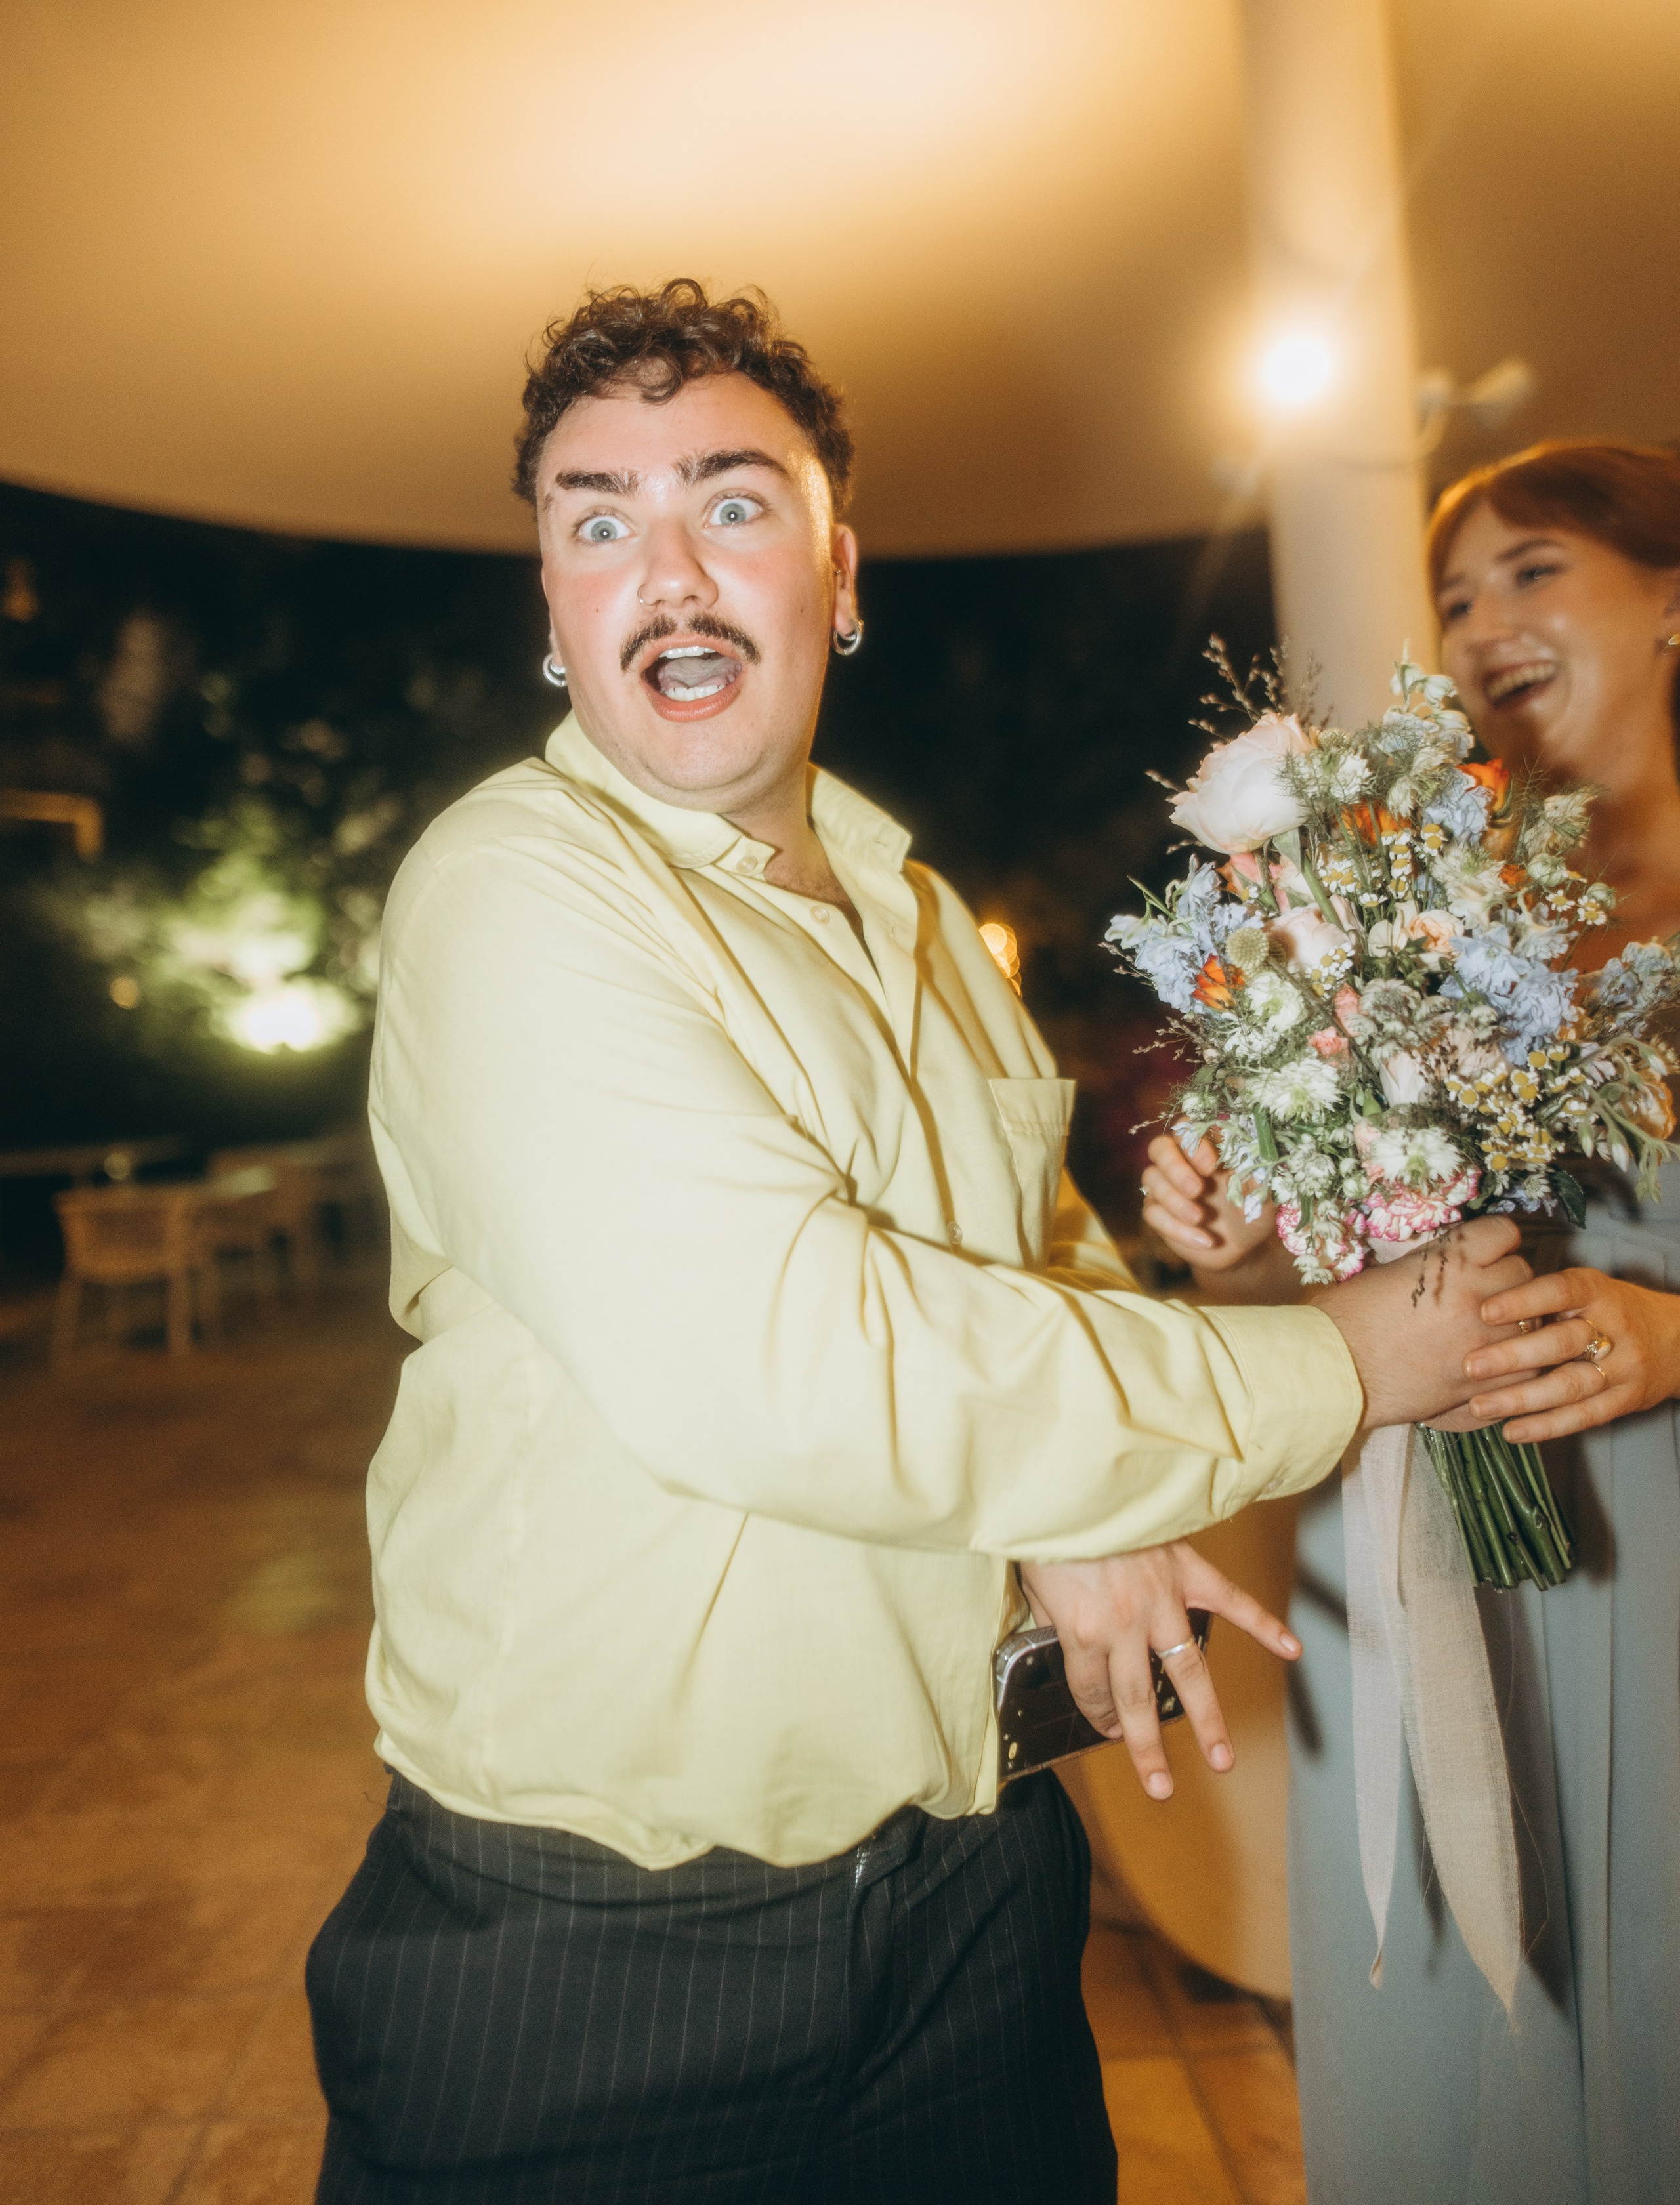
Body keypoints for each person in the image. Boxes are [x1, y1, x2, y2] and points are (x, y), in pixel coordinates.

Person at [305, 280, 1534, 2205]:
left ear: (840, 570)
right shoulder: (515, 888)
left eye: (732, 503)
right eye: (598, 521)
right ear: (554, 604)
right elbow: (796, 1363)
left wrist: (1082, 1483)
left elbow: (1027, 1258)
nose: (668, 573)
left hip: (977, 1886)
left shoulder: (925, 917)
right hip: (599, 1941)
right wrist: (1347, 1363)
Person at [1143, 439, 1680, 2205]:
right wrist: (1235, 1227)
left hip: (1663, 1557)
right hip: (1432, 1555)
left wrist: (1676, 1340)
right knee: (1453, 2053)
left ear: (1671, 602)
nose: (1483, 622)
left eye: (1535, 569)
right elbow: (1348, 1239)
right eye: (1456, 596)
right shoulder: (1407, 908)